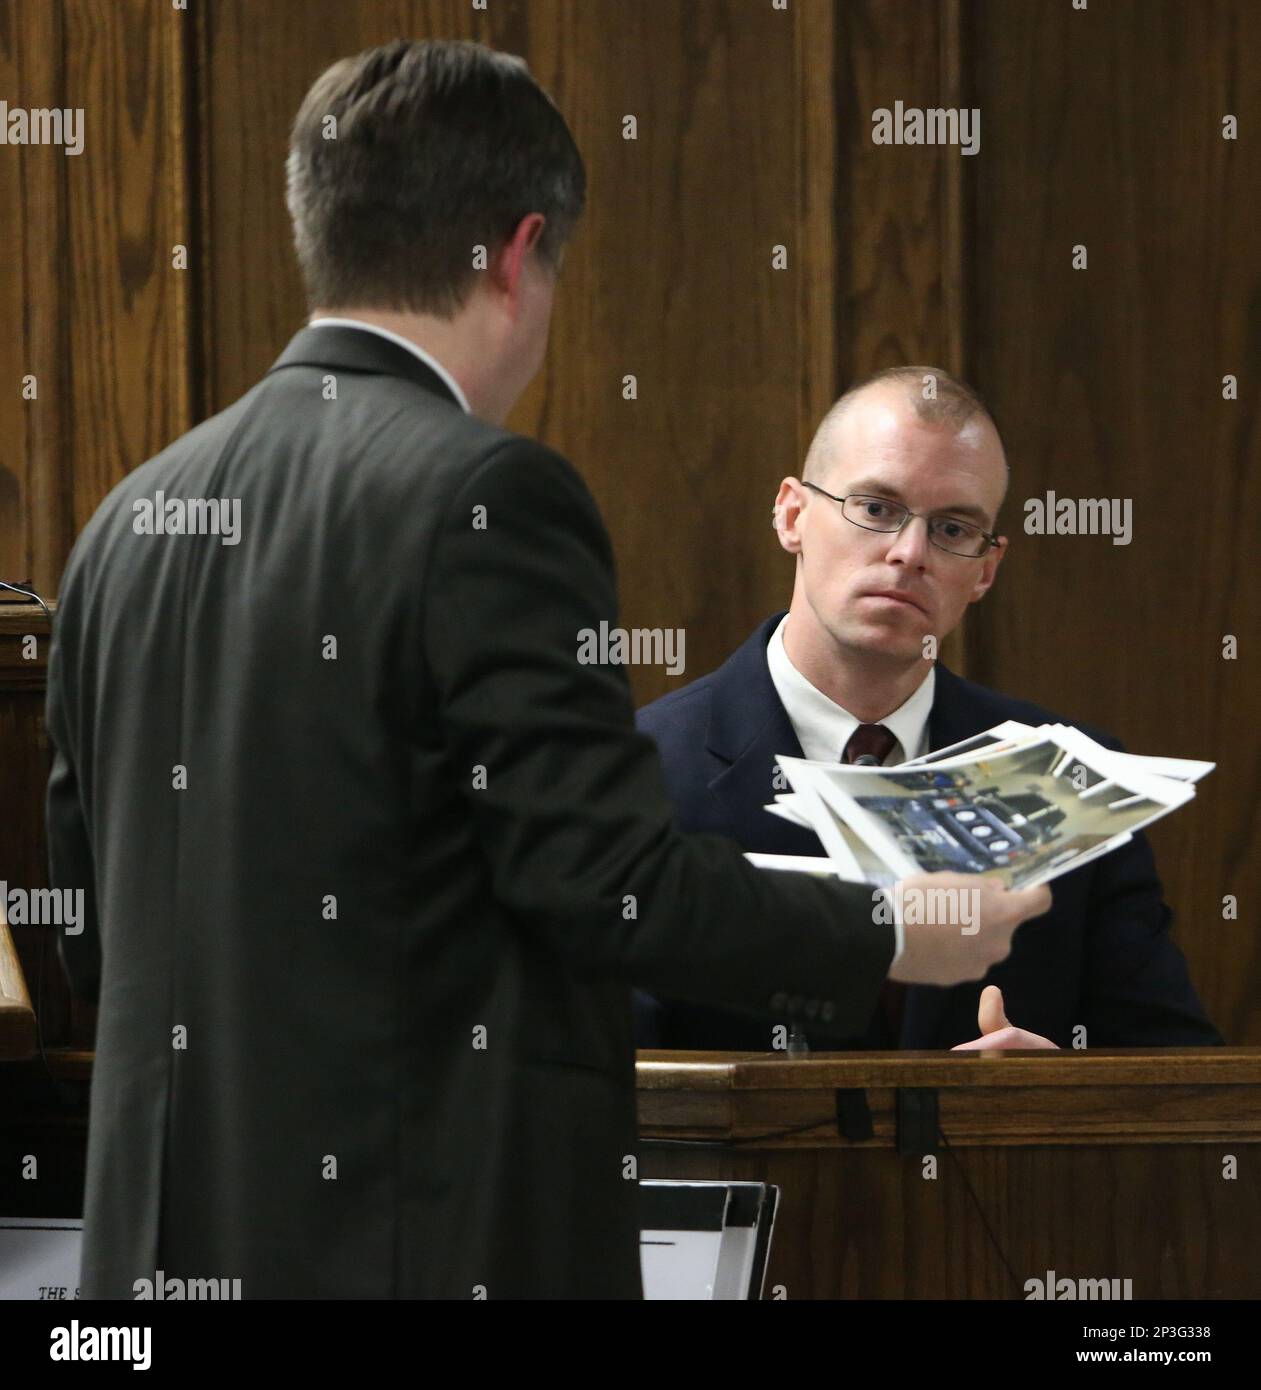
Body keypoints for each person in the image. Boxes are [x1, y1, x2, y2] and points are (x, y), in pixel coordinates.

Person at [46, 44, 1050, 1300]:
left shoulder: (128, 521)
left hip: (153, 1259)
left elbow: (88, 926)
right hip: (429, 1246)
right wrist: (898, 926)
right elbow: (607, 882)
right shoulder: (487, 495)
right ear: (520, 253)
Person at [634, 367, 1220, 1054]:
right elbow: (604, 1081)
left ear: (984, 570)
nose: (908, 553)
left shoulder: (1070, 778)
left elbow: (1178, 1080)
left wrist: (1064, 1094)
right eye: (876, 509)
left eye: (950, 528)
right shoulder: (638, 771)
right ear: (792, 515)